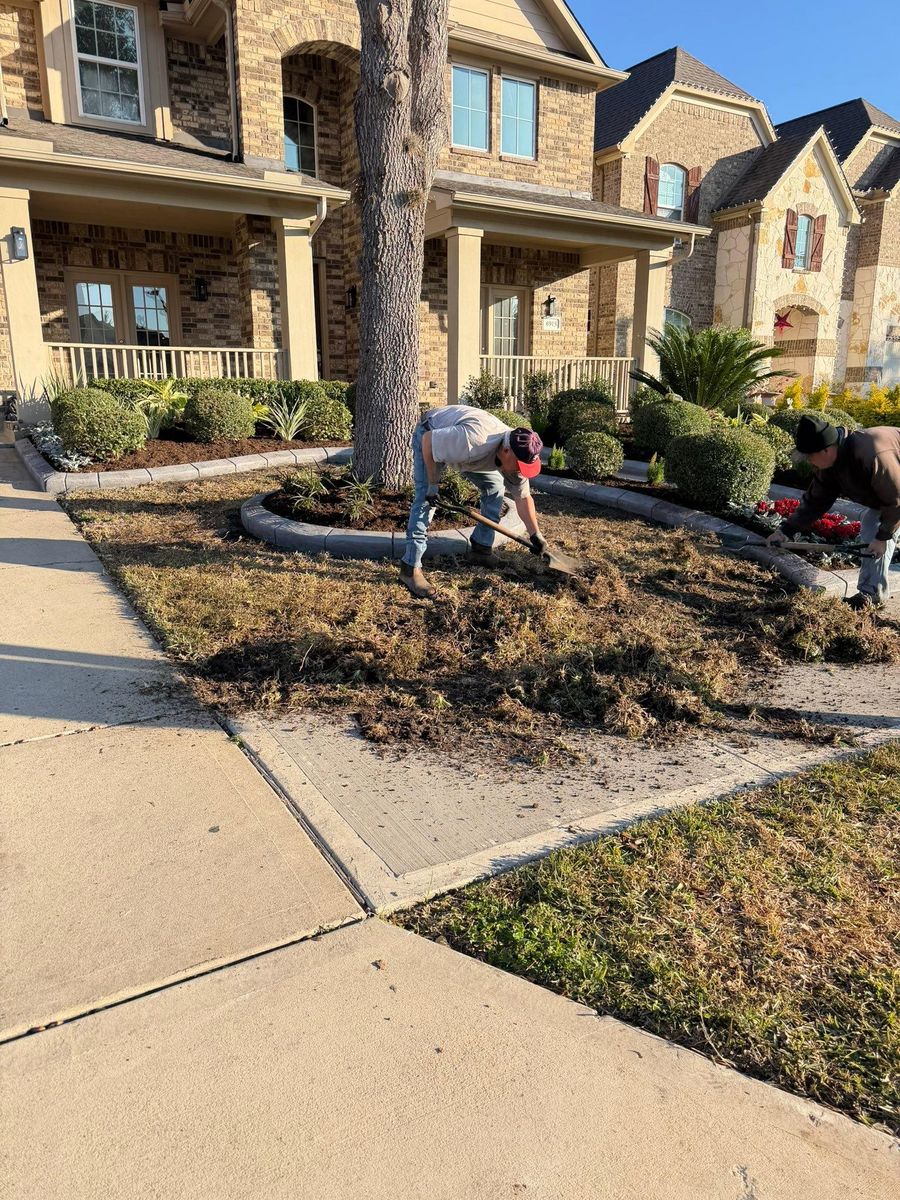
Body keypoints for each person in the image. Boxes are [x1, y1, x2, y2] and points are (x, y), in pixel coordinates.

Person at [400, 404, 547, 599]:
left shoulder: (516, 456)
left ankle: (480, 549)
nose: (520, 472)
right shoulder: (473, 441)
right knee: (425, 501)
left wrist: (536, 534)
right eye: (520, 466)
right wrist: (433, 485)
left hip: (464, 450)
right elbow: (428, 442)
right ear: (505, 451)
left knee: (495, 488)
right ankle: (409, 569)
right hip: (432, 433)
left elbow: (523, 497)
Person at [767, 412, 900, 610]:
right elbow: (816, 501)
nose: (809, 462)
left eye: (810, 456)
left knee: (879, 533)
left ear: (827, 450)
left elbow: (896, 499)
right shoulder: (830, 464)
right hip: (889, 497)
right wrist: (785, 530)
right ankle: (871, 595)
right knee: (871, 526)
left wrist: (883, 538)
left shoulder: (871, 453)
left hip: (896, 493)